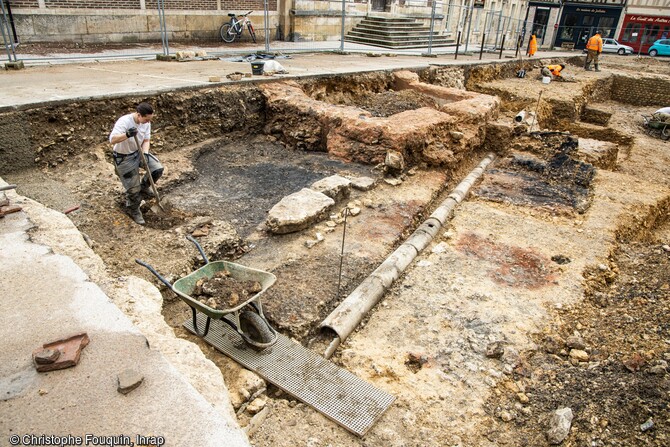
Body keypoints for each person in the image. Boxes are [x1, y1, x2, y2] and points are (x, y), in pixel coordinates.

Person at [109, 102, 163, 225]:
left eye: (150, 120)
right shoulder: (124, 121)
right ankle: (133, 210)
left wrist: (145, 153)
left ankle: (143, 188)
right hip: (123, 158)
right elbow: (112, 140)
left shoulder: (146, 123)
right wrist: (127, 134)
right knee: (133, 190)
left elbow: (146, 140)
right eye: (146, 119)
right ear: (139, 115)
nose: (148, 122)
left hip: (138, 153)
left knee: (157, 169)